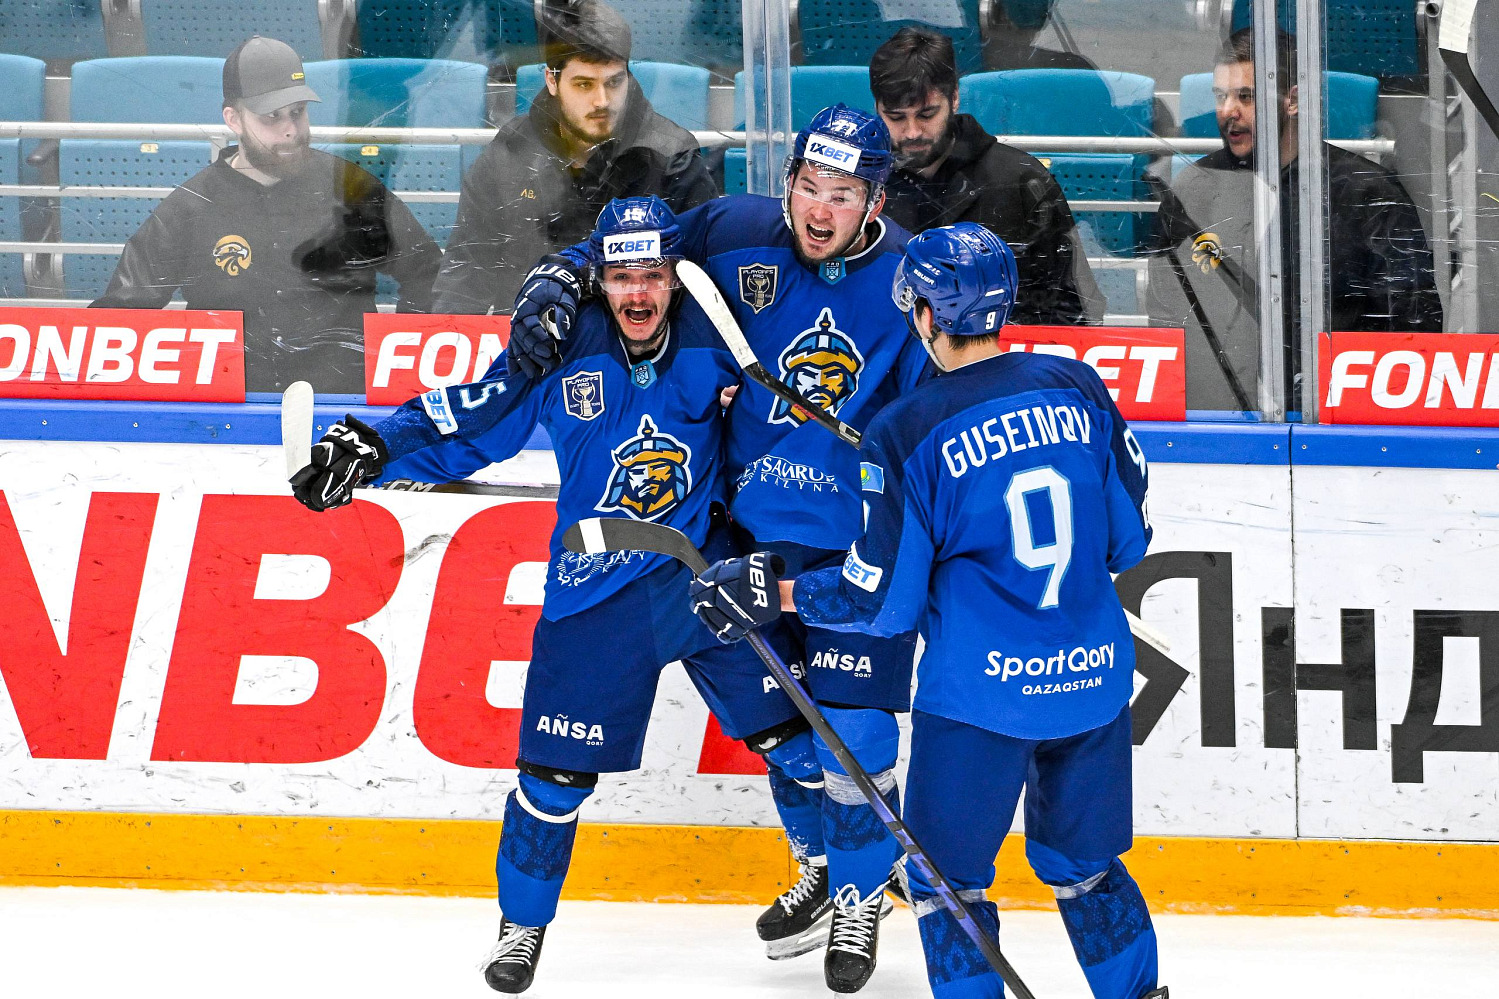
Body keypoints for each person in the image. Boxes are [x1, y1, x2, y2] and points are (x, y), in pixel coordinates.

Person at [286, 196, 812, 995]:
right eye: (620, 276)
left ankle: (827, 875)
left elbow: (792, 418)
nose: (637, 293)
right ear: (597, 278)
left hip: (705, 574)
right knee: (552, 781)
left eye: (652, 274)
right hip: (596, 593)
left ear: (675, 275)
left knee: (794, 737)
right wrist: (373, 450)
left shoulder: (721, 336)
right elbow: (473, 424)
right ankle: (521, 927)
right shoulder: (562, 346)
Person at [507, 105, 930, 993]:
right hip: (745, 542)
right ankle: (821, 866)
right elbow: (632, 251)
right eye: (807, 186)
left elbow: (929, 415)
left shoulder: (907, 278)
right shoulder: (735, 228)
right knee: (785, 733)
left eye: (842, 194)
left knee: (851, 731)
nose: (818, 209)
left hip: (854, 548)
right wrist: (558, 272)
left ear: (875, 199)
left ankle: (858, 896)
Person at [689, 222, 1169, 999]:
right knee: (1084, 868)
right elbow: (1127, 543)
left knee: (947, 883)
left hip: (980, 697)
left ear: (919, 313)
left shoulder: (905, 431)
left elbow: (878, 604)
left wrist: (771, 593)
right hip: (1092, 682)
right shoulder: (1077, 385)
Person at [91, 35, 442, 394]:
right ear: (234, 119)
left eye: (297, 112)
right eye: (271, 117)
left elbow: (429, 273)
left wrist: (399, 362)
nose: (290, 130)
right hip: (228, 407)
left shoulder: (351, 189)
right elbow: (122, 313)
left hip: (342, 401)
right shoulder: (191, 205)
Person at [1147, 27, 1443, 410]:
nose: (1227, 111)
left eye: (1246, 96)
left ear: (1293, 100)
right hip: (1219, 415)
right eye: (1221, 96)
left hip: (1338, 419)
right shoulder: (1194, 189)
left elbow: (1413, 326)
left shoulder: (1368, 193)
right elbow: (1166, 313)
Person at [431, 0, 717, 315]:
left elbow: (704, 283)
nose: (602, 101)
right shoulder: (509, 152)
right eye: (584, 84)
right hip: (525, 342)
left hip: (632, 347)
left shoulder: (670, 157)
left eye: (614, 82)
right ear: (552, 80)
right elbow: (464, 277)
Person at [871, 26, 1104, 326]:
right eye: (896, 117)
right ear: (877, 108)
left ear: (954, 97)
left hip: (998, 361)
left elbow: (1071, 308)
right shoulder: (864, 184)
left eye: (927, 114)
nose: (913, 132)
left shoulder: (1021, 181)